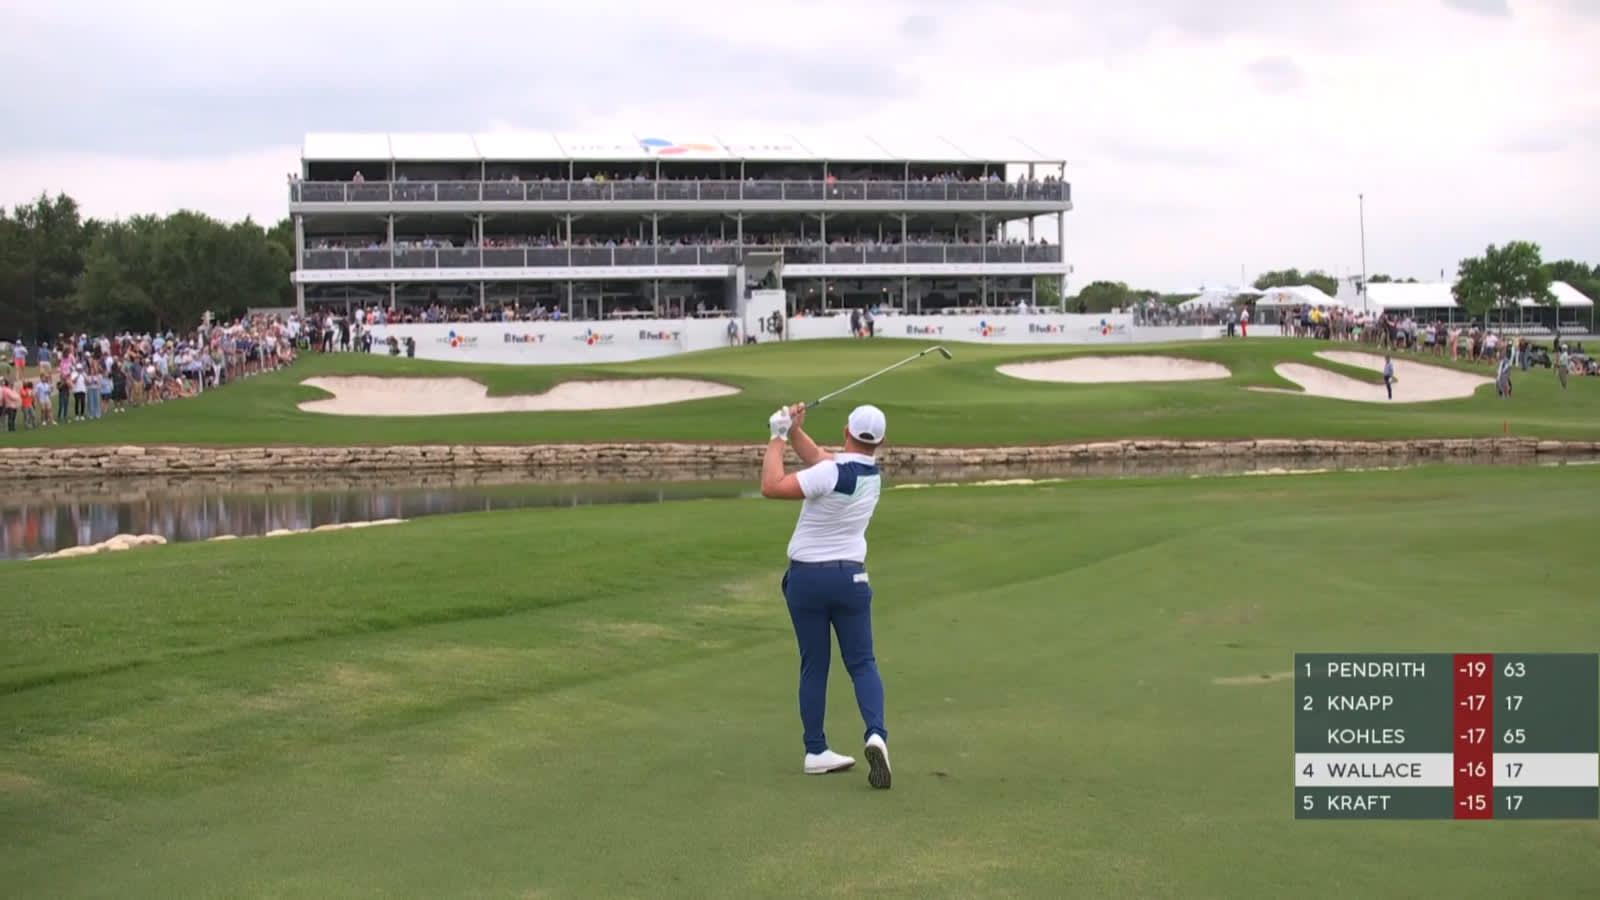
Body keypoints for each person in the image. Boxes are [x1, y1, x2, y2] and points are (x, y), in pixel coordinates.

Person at [760, 401, 892, 790]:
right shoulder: (871, 476)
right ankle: (876, 734)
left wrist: (777, 436)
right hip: (851, 580)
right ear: (881, 441)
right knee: (862, 663)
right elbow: (820, 458)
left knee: (815, 665)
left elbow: (771, 486)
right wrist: (796, 430)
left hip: (807, 581)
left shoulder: (829, 473)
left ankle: (816, 750)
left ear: (846, 431)